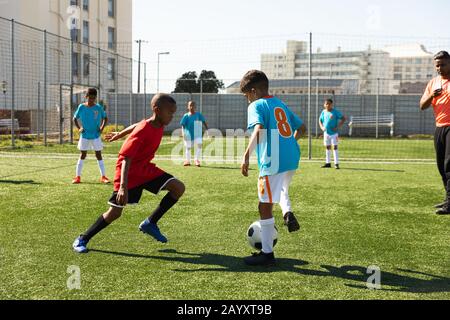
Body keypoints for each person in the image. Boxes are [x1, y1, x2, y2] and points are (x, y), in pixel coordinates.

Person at [72, 94, 186, 253]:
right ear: (157, 110)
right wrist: (123, 188)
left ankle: (150, 223)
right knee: (115, 213)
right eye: (170, 112)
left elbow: (134, 125)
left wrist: (118, 134)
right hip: (128, 172)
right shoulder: (144, 130)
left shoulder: (155, 124)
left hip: (145, 169)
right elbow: (126, 159)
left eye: (173, 112)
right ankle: (83, 238)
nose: (172, 116)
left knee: (178, 188)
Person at [240, 70, 306, 266]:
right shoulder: (280, 104)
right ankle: (287, 212)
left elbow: (258, 130)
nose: (246, 100)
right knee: (281, 189)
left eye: (246, 95)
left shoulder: (256, 105)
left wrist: (245, 156)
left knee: (264, 205)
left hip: (272, 161)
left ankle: (267, 254)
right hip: (292, 157)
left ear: (253, 91)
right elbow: (301, 128)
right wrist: (289, 144)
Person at [420, 51, 450, 215]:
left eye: (443, 64)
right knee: (441, 165)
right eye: (437, 65)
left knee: (449, 165)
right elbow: (422, 106)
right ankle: (448, 199)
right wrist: (432, 95)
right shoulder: (433, 83)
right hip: (440, 128)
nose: (439, 68)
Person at [72, 88, 110, 184]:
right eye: (90, 98)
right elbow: (75, 118)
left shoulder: (98, 107)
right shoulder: (81, 107)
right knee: (83, 154)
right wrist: (79, 128)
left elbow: (105, 118)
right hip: (84, 135)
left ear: (95, 98)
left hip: (96, 135)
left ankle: (103, 177)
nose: (91, 100)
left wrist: (101, 128)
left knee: (98, 155)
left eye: (93, 98)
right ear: (86, 97)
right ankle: (77, 177)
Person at [319, 99, 346, 170]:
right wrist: (322, 127)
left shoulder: (335, 112)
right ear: (324, 105)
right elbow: (320, 120)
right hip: (326, 133)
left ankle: (336, 164)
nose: (327, 105)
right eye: (326, 104)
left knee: (335, 147)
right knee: (327, 147)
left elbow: (343, 118)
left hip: (334, 134)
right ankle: (328, 163)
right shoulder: (323, 112)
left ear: (332, 105)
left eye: (329, 104)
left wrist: (338, 126)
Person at [180, 101, 208, 167]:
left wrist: (207, 130)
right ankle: (187, 161)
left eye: (193, 105)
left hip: (197, 133)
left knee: (199, 146)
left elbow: (204, 122)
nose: (192, 107)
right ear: (188, 107)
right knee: (188, 148)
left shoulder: (198, 115)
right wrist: (183, 133)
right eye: (190, 105)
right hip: (188, 134)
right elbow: (183, 125)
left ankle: (196, 160)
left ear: (195, 107)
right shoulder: (186, 116)